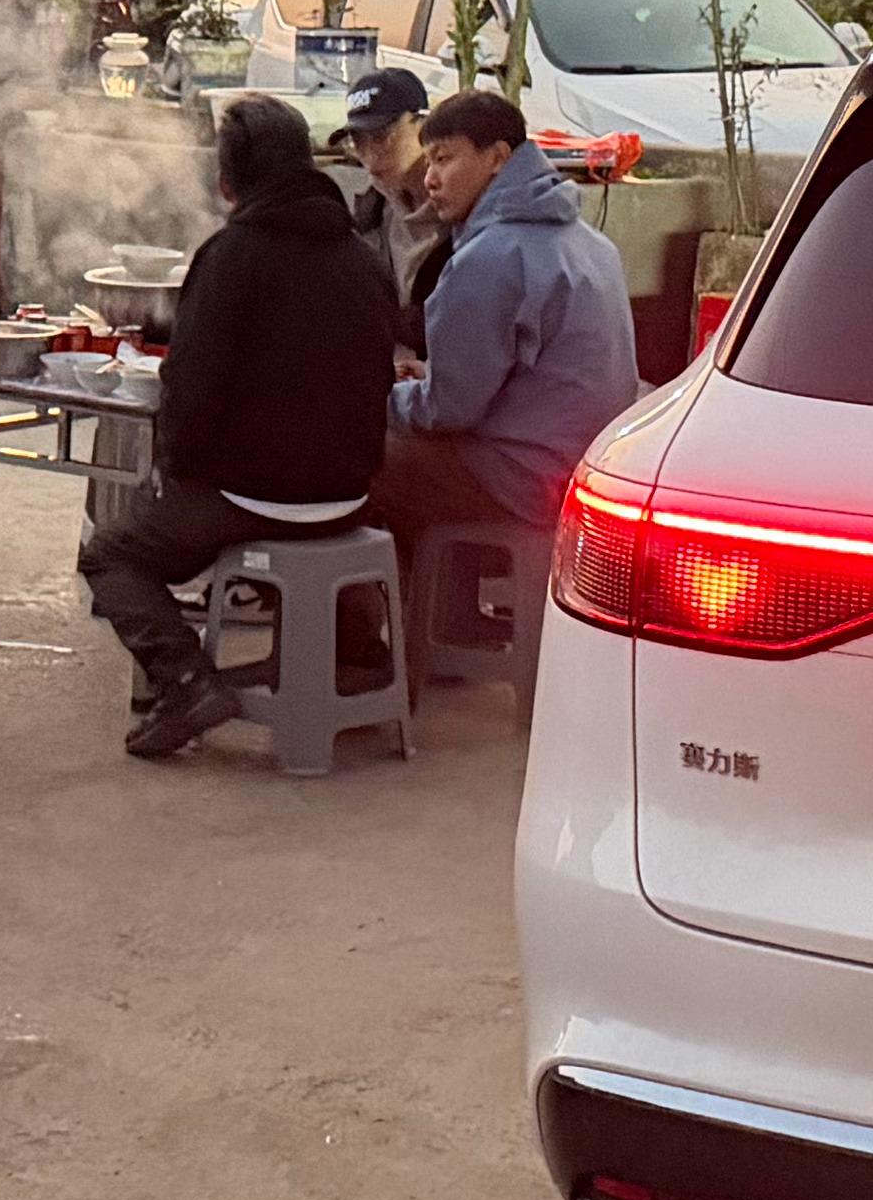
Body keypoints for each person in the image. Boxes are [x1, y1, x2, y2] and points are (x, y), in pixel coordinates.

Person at [82, 96, 410, 762]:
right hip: (350, 493)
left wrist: (177, 473)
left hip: (252, 497)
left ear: (228, 181)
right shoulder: (363, 259)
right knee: (267, 527)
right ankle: (355, 657)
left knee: (112, 554)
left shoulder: (230, 257)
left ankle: (185, 681)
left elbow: (191, 393)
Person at [377, 90, 632, 558]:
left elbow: (448, 411)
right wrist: (432, 377)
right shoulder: (591, 243)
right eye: (428, 162)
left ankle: (403, 602)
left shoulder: (491, 256)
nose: (430, 179)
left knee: (356, 449)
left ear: (497, 157)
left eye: (444, 159)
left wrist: (374, 399)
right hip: (589, 470)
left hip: (521, 480)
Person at [331, 66, 442, 322]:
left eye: (383, 137)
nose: (370, 157)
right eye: (358, 142)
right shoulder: (372, 212)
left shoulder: (463, 208)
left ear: (424, 125)